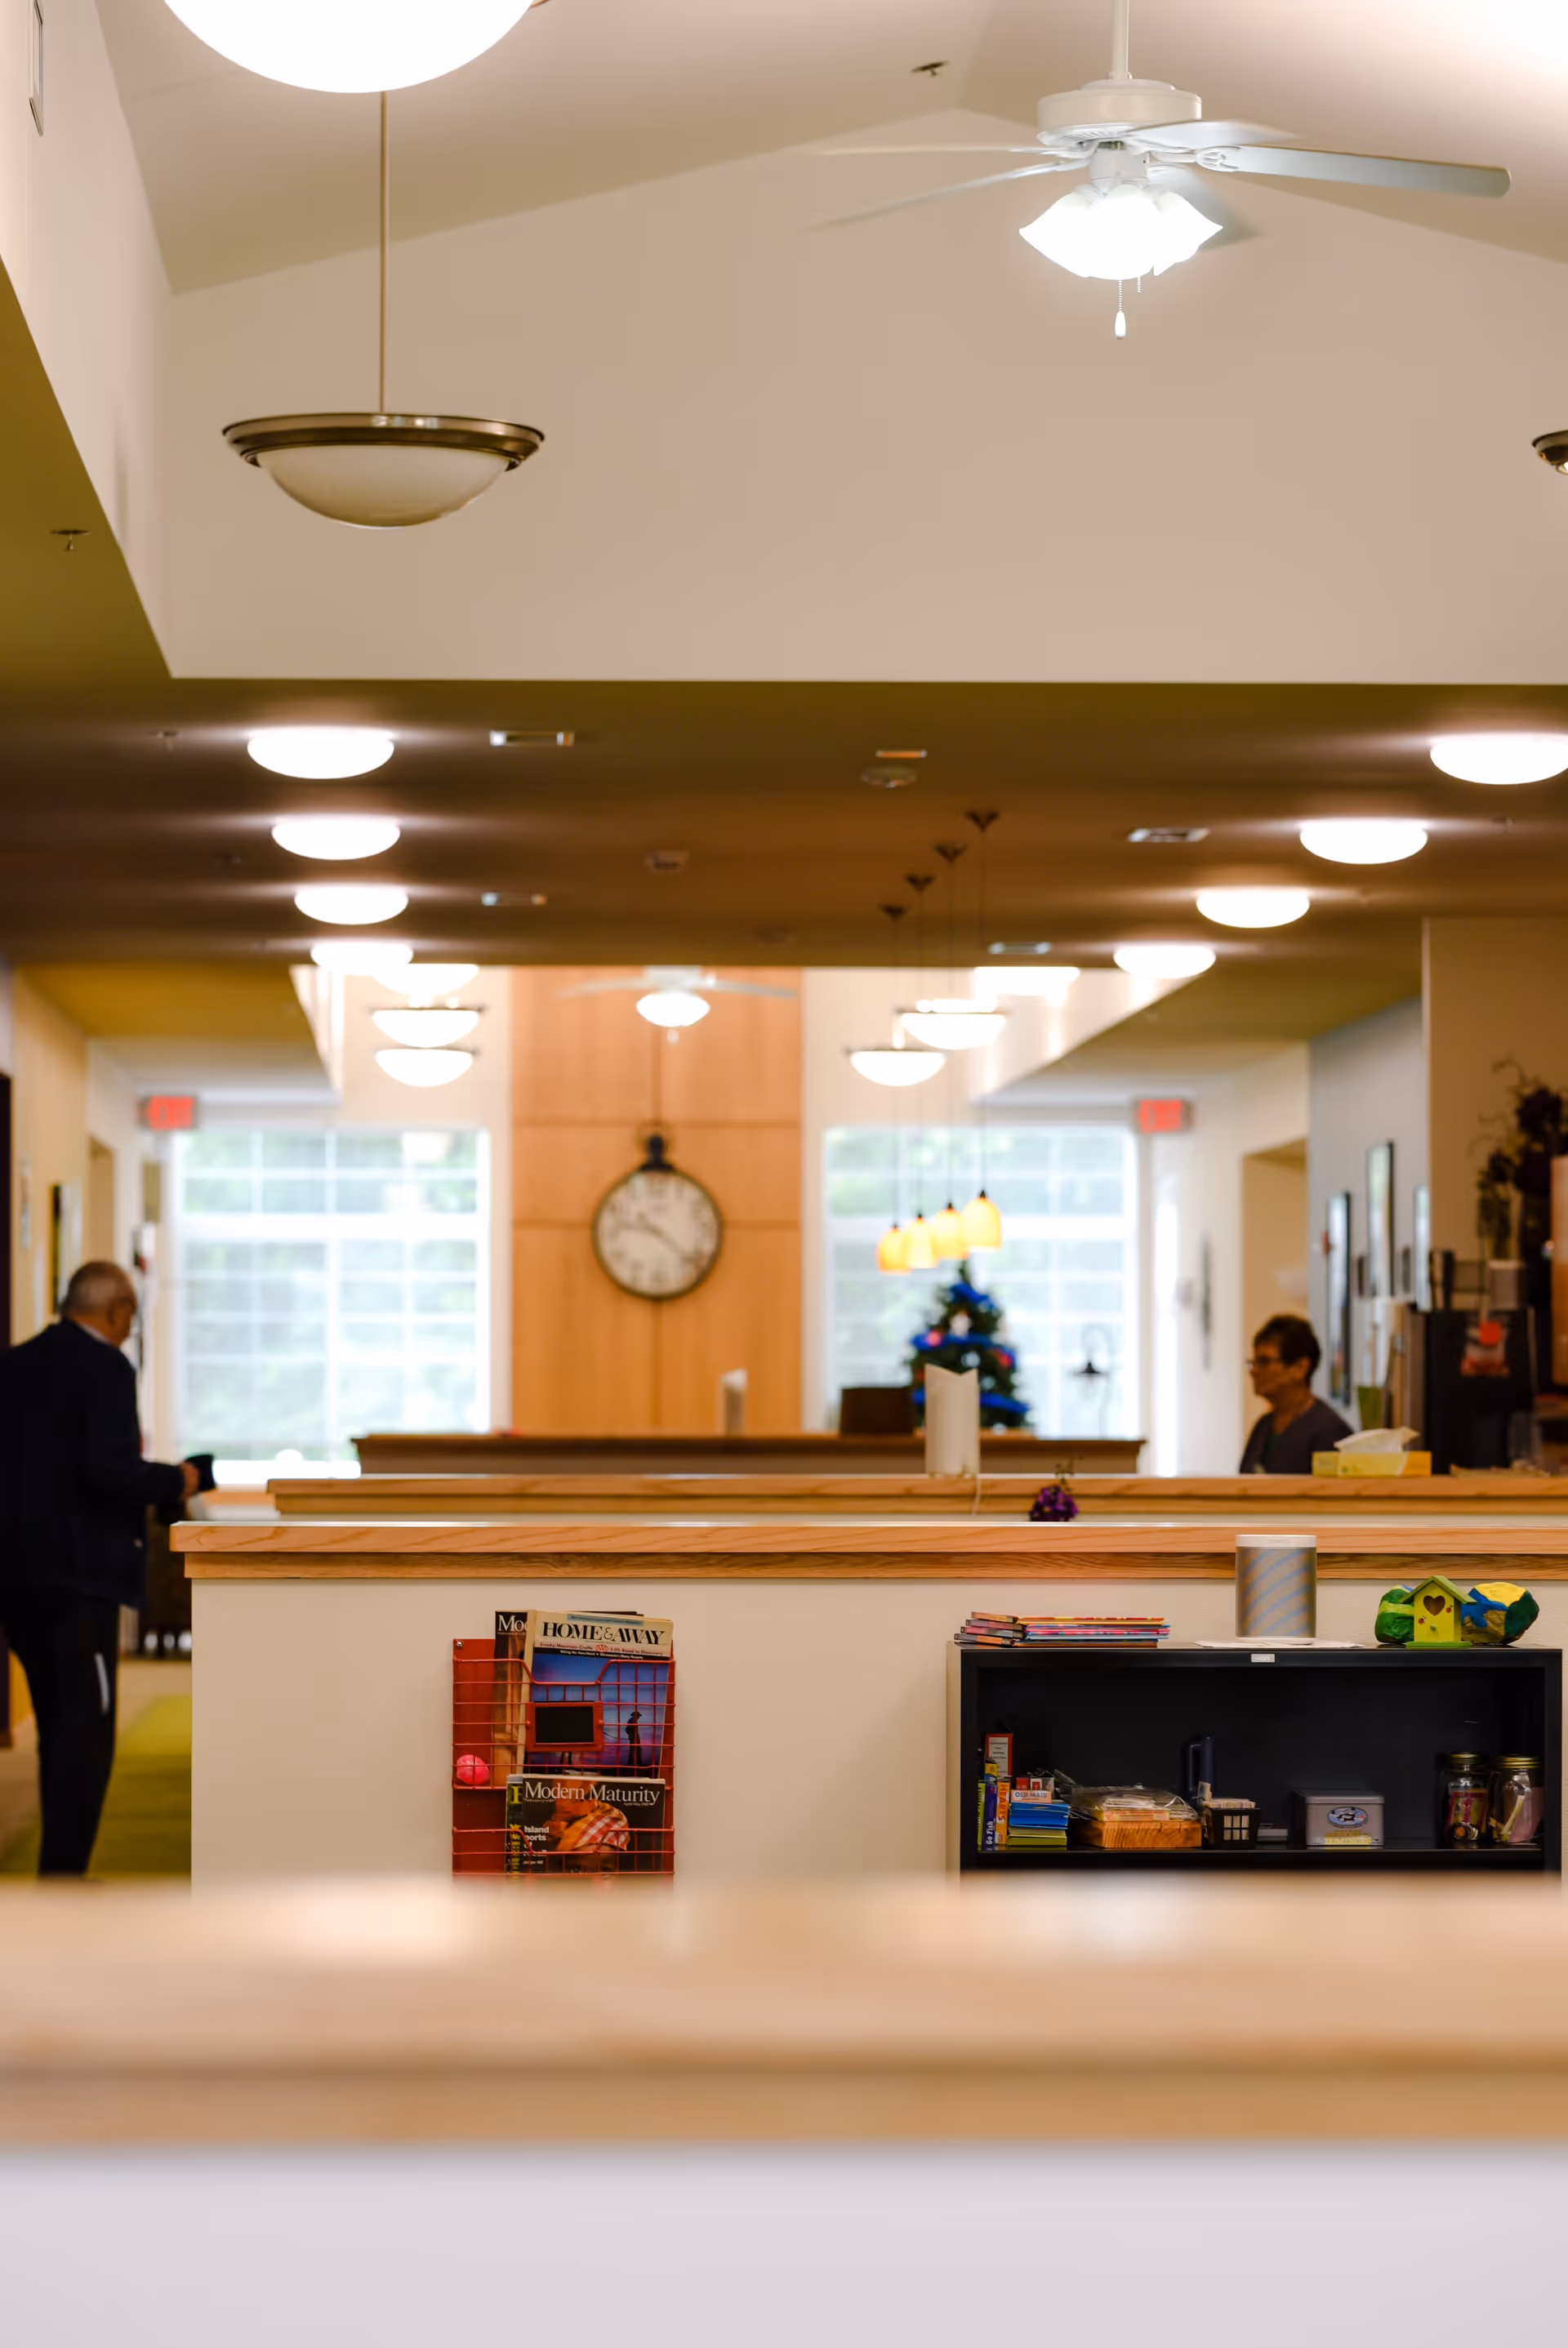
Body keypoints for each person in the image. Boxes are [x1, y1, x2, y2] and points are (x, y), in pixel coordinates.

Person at [0, 1262, 200, 1875]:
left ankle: (58, 1869)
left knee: (55, 1718)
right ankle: (65, 1873)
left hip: (17, 1578)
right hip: (80, 1580)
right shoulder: (106, 1367)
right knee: (86, 1729)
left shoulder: (13, 1363)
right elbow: (108, 1471)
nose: (128, 1329)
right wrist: (180, 1478)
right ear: (116, 1310)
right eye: (131, 1316)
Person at [1239, 1313, 1353, 1475]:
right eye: (1253, 1362)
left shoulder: (1330, 1432)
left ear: (1300, 1368)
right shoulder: (1263, 1426)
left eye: (1264, 1362)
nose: (1254, 1371)